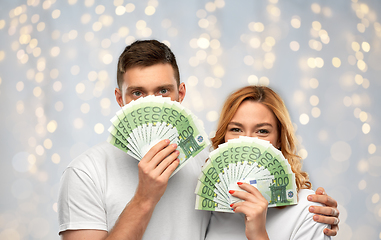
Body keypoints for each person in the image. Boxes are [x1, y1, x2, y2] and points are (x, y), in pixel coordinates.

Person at [57, 40, 339, 240]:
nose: (152, 104)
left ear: (181, 94)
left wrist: (312, 209)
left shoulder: (209, 160)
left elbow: (266, 189)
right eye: (137, 93)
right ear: (120, 99)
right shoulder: (85, 173)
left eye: (163, 90)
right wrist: (145, 197)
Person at [205, 85, 335, 240]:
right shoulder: (209, 205)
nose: (247, 141)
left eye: (262, 131)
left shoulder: (310, 211)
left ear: (279, 138)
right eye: (236, 129)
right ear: (223, 136)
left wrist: (259, 235)